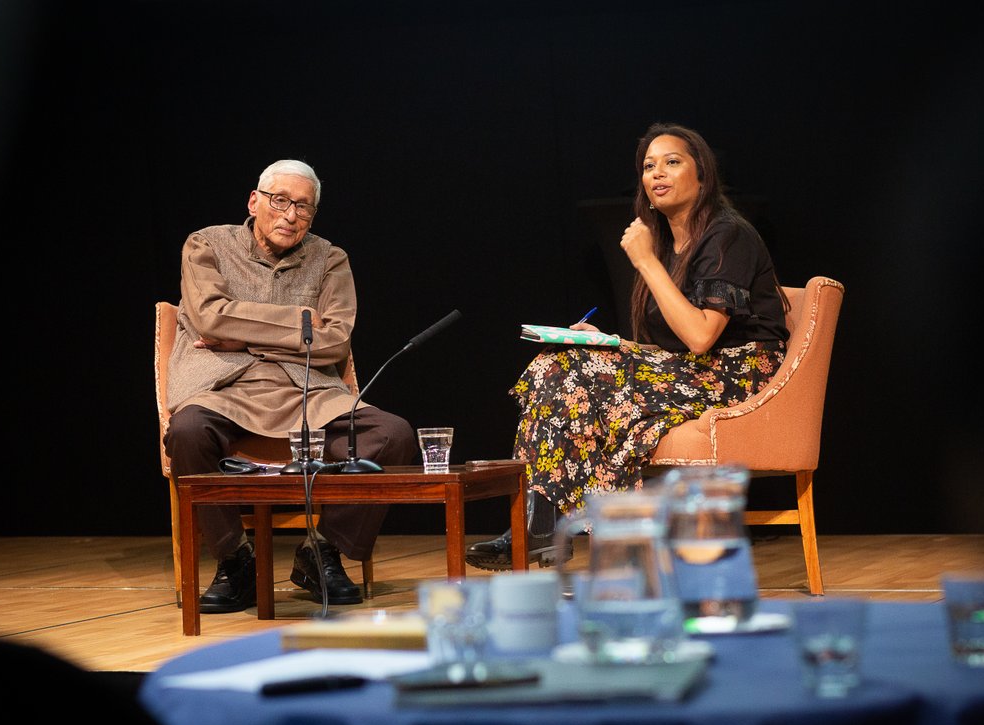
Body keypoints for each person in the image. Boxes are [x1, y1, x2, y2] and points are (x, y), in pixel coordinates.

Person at [467, 123, 791, 570]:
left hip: (740, 374)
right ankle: (549, 527)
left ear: (703, 176)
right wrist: (612, 343)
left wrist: (643, 261)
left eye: (672, 162)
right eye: (648, 166)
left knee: (568, 374)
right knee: (556, 364)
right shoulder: (664, 241)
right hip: (692, 372)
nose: (657, 173)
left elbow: (700, 337)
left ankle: (555, 528)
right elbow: (669, 347)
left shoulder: (727, 234)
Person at [165, 158, 416, 612]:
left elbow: (335, 339)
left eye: (303, 207)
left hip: (308, 395)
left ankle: (321, 551)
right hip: (222, 388)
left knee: (393, 435)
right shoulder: (206, 244)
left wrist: (240, 334)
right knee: (186, 433)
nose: (290, 214)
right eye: (280, 201)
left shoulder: (329, 258)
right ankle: (235, 560)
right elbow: (207, 315)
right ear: (254, 201)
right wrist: (300, 325)